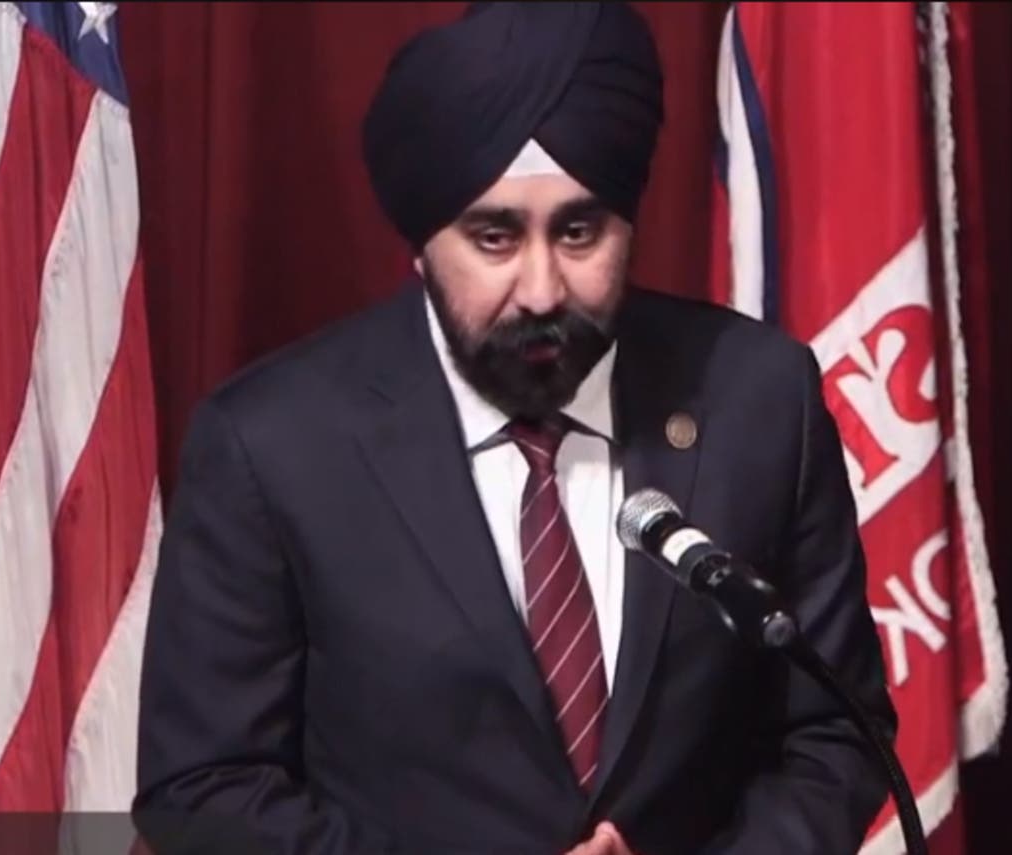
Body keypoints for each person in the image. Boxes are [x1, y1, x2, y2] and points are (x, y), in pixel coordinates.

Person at [132, 3, 897, 854]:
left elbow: (837, 733)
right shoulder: (271, 445)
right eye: (495, 237)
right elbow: (202, 786)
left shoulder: (760, 399)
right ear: (422, 247)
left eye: (579, 232)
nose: (541, 290)